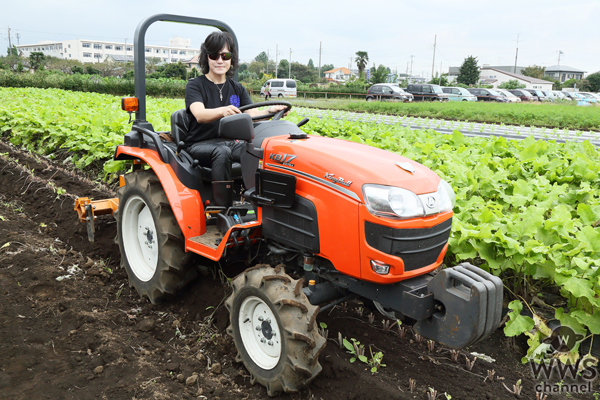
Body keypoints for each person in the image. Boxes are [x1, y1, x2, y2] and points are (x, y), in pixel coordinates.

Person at [184, 31, 286, 208]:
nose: (220, 60)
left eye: (225, 55)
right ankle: (222, 209)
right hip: (200, 144)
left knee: (259, 150)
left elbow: (251, 114)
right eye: (214, 55)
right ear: (206, 58)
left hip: (230, 143)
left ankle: (258, 202)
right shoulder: (195, 85)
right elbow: (199, 114)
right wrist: (222, 111)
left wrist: (271, 110)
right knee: (222, 153)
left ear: (231, 59)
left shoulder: (237, 88)